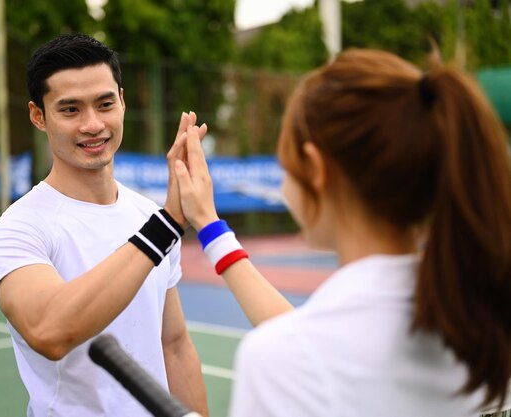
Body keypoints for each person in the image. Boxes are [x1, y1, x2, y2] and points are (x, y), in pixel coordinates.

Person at [168, 48, 511, 416]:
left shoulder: (282, 362)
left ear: (316, 168)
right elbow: (318, 337)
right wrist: (208, 225)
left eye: (286, 160)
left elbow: (310, 348)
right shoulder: (486, 321)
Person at [0, 33, 209, 417]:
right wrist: (168, 223)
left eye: (105, 104)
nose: (93, 124)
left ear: (122, 100)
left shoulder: (148, 217)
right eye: (70, 110)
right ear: (39, 115)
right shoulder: (16, 231)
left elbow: (174, 344)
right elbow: (51, 330)